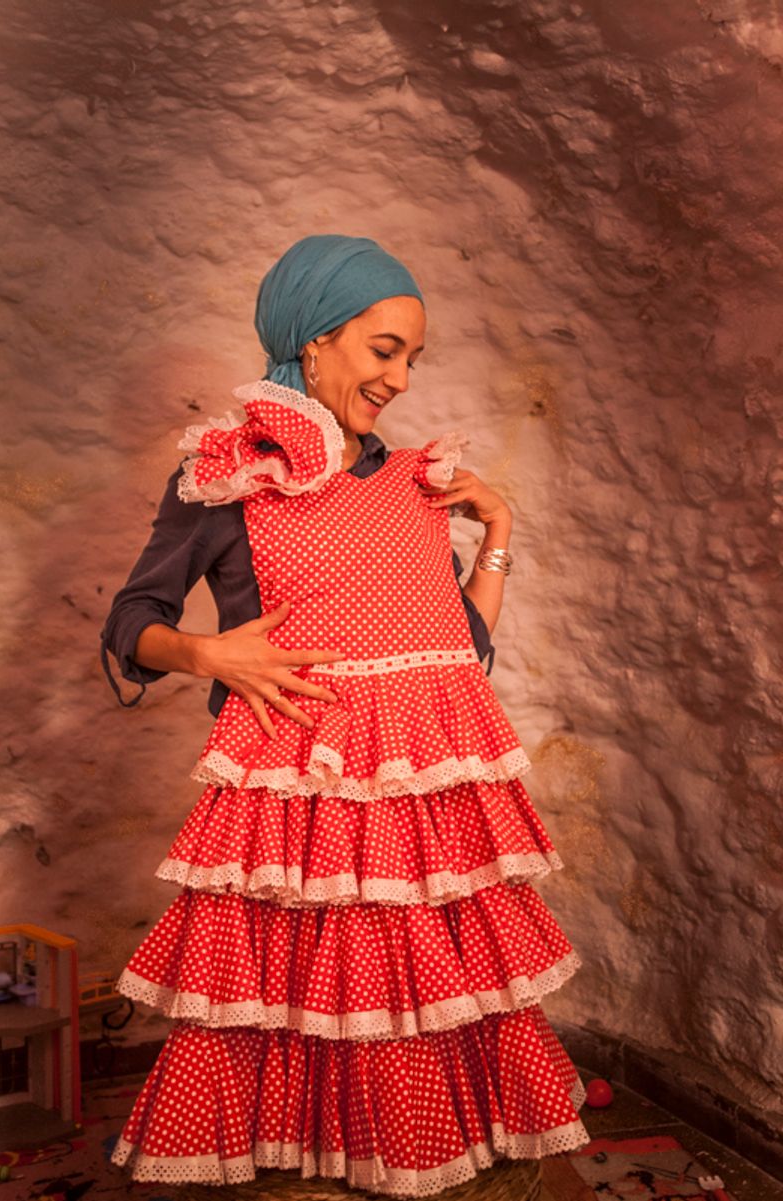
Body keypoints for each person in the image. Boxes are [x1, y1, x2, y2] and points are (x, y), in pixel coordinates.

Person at [103, 234, 589, 1195]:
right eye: (384, 349)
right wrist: (209, 651)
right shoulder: (235, 472)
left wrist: (498, 531)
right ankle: (294, 1146)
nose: (402, 378)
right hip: (299, 796)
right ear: (313, 341)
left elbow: (460, 655)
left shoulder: (419, 482)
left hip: (414, 796)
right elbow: (132, 622)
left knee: (409, 994)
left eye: (413, 356)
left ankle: (401, 1143)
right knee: (290, 992)